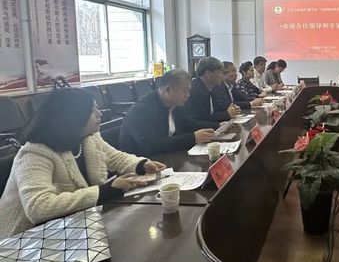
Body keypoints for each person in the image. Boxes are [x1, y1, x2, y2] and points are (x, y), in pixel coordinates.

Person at [0, 88, 166, 238]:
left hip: (71, 225)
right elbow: (39, 207)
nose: (99, 114)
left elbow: (114, 156)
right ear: (74, 117)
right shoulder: (35, 153)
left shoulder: (88, 137)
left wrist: (141, 164)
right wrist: (106, 190)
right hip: (27, 240)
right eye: (92, 110)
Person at [120, 69, 217, 157]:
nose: (188, 95)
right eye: (184, 91)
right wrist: (193, 137)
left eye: (189, 91)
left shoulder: (175, 104)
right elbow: (152, 145)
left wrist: (217, 126)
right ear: (168, 90)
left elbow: (187, 123)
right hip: (143, 163)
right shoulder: (141, 110)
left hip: (167, 157)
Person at [186, 57, 241, 127]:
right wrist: (225, 116)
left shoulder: (212, 88)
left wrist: (231, 110)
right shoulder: (195, 90)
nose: (222, 76)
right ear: (208, 74)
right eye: (220, 72)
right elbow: (199, 119)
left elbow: (216, 111)